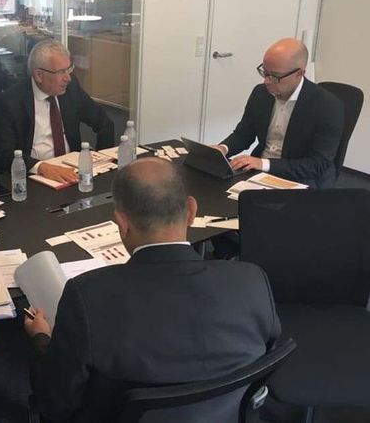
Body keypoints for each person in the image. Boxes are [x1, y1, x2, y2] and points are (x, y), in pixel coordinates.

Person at [24, 158, 281, 422]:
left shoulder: (87, 297)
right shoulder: (252, 281)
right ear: (191, 211)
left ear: (121, 223)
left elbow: (56, 403)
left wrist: (42, 340)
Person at [215, 38, 343, 188]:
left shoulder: (328, 106)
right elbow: (244, 134)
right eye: (265, 72)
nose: (267, 81)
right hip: (259, 171)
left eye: (274, 76)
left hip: (302, 178)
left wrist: (263, 163)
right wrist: (222, 149)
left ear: (299, 73)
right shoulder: (261, 93)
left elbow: (316, 165)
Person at [0, 39, 114, 182]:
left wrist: (102, 162)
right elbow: (5, 155)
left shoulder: (70, 88)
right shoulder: (10, 102)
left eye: (69, 69)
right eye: (61, 72)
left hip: (71, 171)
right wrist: (41, 167)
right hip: (34, 176)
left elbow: (104, 123)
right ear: (39, 75)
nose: (68, 78)